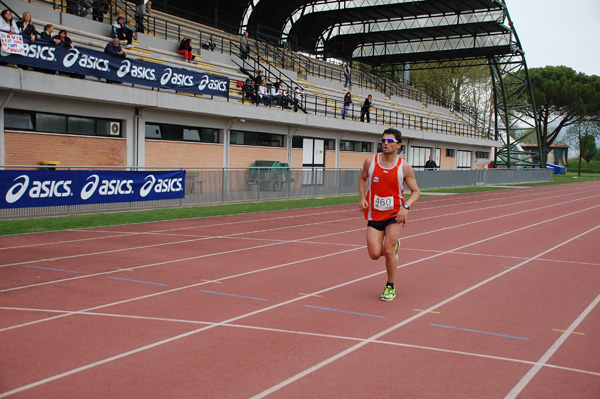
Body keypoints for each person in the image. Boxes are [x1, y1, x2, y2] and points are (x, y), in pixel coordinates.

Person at [358, 128, 421, 301]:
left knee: (388, 251)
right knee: (374, 254)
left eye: (389, 141)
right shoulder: (370, 162)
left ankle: (390, 286)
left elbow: (416, 191)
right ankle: (393, 248)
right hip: (375, 213)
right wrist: (363, 197)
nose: (385, 143)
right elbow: (362, 179)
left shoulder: (404, 166)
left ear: (398, 145)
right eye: (383, 140)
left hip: (395, 213)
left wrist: (405, 206)